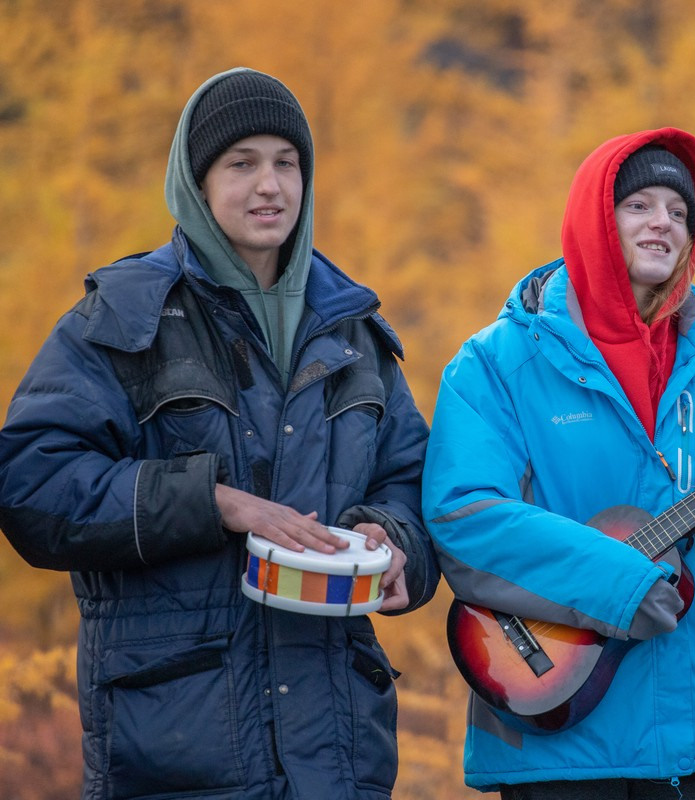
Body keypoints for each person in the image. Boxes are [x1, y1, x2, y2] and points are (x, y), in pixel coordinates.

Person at [0, 68, 438, 799]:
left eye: (286, 163)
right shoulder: (124, 319)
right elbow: (31, 484)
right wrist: (218, 503)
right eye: (242, 164)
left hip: (337, 755)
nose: (270, 186)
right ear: (196, 182)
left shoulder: (354, 329)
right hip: (177, 749)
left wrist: (391, 542)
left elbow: (413, 481)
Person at [422, 128, 695, 798]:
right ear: (595, 218)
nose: (663, 222)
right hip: (556, 735)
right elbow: (464, 516)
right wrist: (621, 585)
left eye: (680, 212)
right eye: (640, 205)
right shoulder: (495, 363)